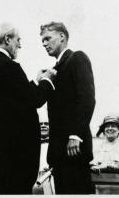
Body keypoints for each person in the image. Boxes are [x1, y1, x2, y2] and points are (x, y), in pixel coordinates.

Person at [0, 23, 56, 194]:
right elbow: (34, 100)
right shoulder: (9, 67)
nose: (19, 45)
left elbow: (15, 100)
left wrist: (35, 82)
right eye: (17, 40)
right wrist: (47, 80)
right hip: (16, 154)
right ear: (7, 39)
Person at [40, 21, 96, 194]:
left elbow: (87, 98)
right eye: (42, 41)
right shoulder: (54, 70)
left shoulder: (77, 58)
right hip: (59, 153)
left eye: (48, 38)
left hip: (74, 149)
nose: (44, 44)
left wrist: (75, 135)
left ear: (62, 36)